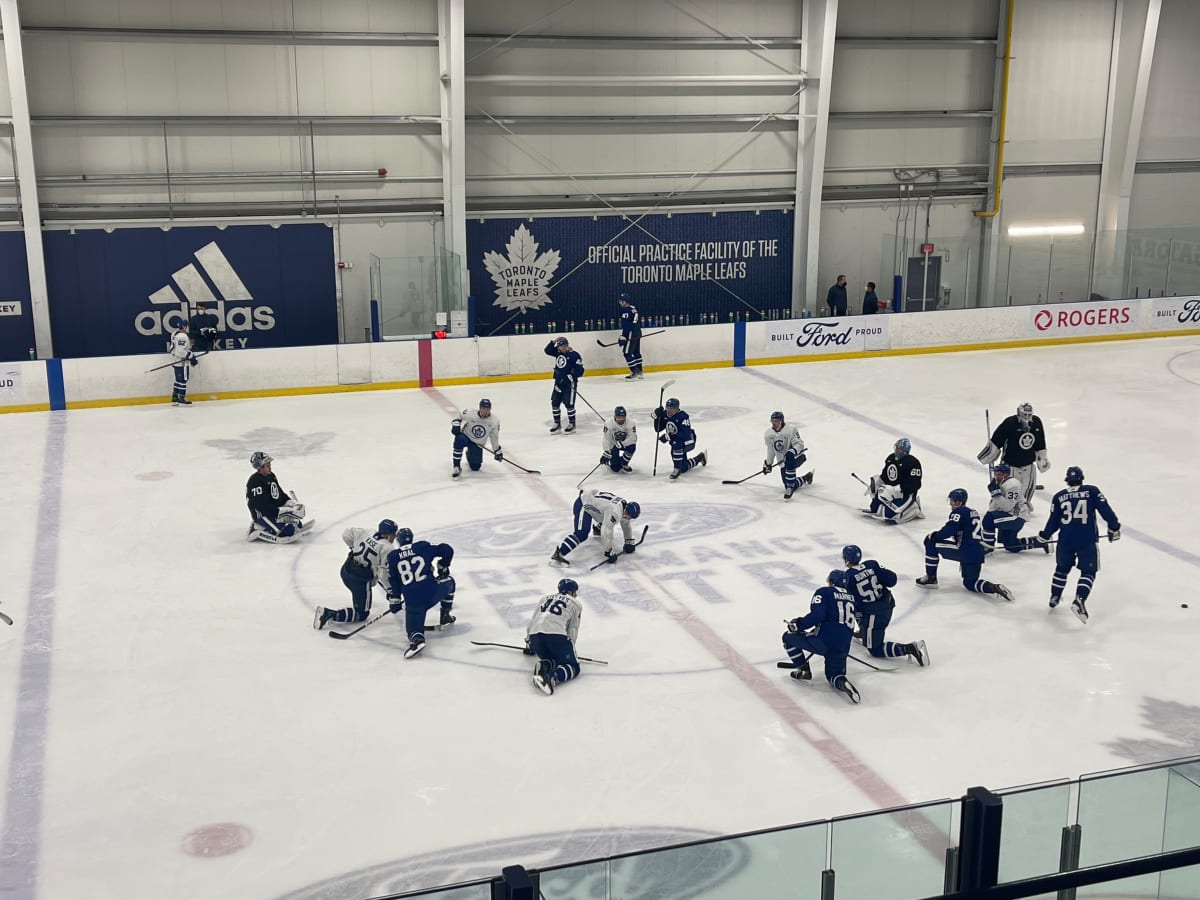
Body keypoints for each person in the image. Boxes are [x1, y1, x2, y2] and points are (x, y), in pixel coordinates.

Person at [1033, 466, 1121, 623]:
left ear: (1067, 480)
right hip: (1086, 540)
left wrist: (1044, 536)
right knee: (1089, 571)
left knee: (1061, 569)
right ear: (1082, 478)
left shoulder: (1059, 496)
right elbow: (1105, 511)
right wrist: (1114, 527)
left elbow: (1053, 521)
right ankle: (1079, 600)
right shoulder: (1092, 491)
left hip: (1064, 540)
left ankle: (1055, 596)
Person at [916, 489, 1015, 600]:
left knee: (930, 541)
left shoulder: (958, 512)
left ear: (958, 502)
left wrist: (935, 535)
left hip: (963, 550)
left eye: (952, 501)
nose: (950, 504)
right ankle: (993, 587)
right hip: (977, 553)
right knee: (970, 583)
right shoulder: (974, 512)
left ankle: (931, 578)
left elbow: (950, 529)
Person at [840, 544, 928, 666]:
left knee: (875, 650)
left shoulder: (848, 576)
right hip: (887, 604)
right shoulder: (872, 564)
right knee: (859, 609)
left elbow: (851, 601)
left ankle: (910, 648)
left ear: (846, 559)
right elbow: (892, 580)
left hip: (874, 615)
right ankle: (864, 631)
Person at [782, 571, 861, 704]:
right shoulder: (852, 597)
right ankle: (843, 683)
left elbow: (817, 615)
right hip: (844, 646)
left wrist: (798, 625)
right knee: (834, 675)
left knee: (788, 637)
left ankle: (803, 670)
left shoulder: (824, 592)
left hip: (823, 641)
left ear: (831, 581)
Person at [384, 528, 457, 658]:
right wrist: (443, 566)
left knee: (413, 631)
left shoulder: (393, 557)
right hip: (432, 592)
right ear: (411, 538)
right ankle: (445, 615)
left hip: (413, 601)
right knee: (450, 583)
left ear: (398, 541)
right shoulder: (422, 547)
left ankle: (417, 639)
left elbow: (394, 581)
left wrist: (395, 600)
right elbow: (447, 549)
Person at [314, 519, 398, 629]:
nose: (394, 537)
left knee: (365, 585)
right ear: (388, 535)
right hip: (359, 580)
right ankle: (328, 614)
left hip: (346, 570)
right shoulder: (387, 548)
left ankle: (359, 597)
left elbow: (346, 534)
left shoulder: (368, 532)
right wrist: (392, 591)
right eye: (393, 534)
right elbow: (383, 574)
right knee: (362, 614)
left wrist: (353, 547)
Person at [977, 403, 1051, 506]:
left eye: (1029, 414)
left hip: (1028, 468)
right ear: (1019, 413)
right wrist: (988, 455)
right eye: (1024, 414)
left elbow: (1040, 443)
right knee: (1005, 501)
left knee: (1024, 503)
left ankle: (1023, 508)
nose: (1027, 417)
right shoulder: (1010, 423)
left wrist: (1042, 458)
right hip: (1009, 468)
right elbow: (996, 441)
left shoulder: (1036, 422)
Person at [550, 488, 641, 566]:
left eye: (630, 517)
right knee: (582, 534)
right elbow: (606, 531)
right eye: (628, 515)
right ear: (626, 510)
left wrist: (628, 541)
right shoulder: (615, 511)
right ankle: (559, 554)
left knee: (606, 517)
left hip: (594, 504)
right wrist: (608, 551)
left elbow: (625, 523)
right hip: (583, 505)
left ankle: (598, 528)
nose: (628, 517)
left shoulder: (624, 507)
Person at [525, 578, 584, 695]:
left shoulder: (544, 598)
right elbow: (573, 629)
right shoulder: (575, 603)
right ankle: (551, 678)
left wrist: (529, 645)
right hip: (556, 636)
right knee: (573, 667)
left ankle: (543, 666)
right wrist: (570, 652)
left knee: (553, 659)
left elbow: (532, 622)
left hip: (535, 637)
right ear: (571, 592)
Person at [245, 451, 310, 543]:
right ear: (260, 467)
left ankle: (273, 523)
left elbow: (278, 494)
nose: (270, 467)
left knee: (298, 524)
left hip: (274, 511)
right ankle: (257, 526)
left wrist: (288, 502)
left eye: (269, 464)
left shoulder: (271, 476)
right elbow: (261, 506)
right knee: (288, 531)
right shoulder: (255, 482)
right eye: (267, 465)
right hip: (263, 515)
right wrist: (282, 512)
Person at [982, 464, 1047, 553]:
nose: (996, 476)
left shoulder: (1013, 485)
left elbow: (1007, 507)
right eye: (995, 474)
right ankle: (1038, 542)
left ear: (1006, 474)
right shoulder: (999, 482)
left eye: (999, 474)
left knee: (988, 519)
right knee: (1011, 545)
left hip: (1017, 516)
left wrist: (996, 494)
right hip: (1011, 514)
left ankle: (987, 547)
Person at [862, 438, 923, 523]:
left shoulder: (913, 463)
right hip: (889, 493)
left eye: (899, 449)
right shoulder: (891, 458)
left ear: (906, 450)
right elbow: (885, 476)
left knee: (889, 514)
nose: (897, 451)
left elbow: (915, 484)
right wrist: (877, 483)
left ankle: (914, 506)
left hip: (905, 494)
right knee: (874, 508)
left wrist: (896, 489)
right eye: (896, 448)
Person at [764, 410, 813, 500]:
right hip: (783, 463)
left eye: (776, 421)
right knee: (788, 483)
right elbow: (770, 450)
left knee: (789, 461)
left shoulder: (791, 429)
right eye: (772, 421)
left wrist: (792, 451)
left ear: (781, 421)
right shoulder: (768, 434)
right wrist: (768, 464)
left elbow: (799, 444)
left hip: (797, 457)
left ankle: (790, 487)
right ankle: (806, 477)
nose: (774, 423)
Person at [654, 397, 707, 480]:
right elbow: (657, 429)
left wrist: (669, 436)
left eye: (672, 408)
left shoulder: (683, 417)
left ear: (677, 408)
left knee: (676, 446)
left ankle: (676, 469)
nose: (669, 410)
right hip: (676, 442)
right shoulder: (665, 415)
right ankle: (699, 458)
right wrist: (657, 418)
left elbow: (685, 434)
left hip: (689, 440)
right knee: (684, 467)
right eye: (668, 408)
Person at [451, 398, 502, 478]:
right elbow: (459, 415)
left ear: (490, 409)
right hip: (466, 437)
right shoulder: (471, 413)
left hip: (477, 443)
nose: (485, 411)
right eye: (483, 408)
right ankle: (456, 466)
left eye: (487, 409)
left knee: (475, 467)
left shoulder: (494, 421)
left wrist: (497, 450)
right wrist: (456, 424)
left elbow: (494, 437)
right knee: (459, 439)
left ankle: (469, 453)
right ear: (480, 408)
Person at [544, 337, 584, 433]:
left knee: (569, 404)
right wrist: (554, 341)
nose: (559, 348)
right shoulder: (558, 353)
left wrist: (572, 376)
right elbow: (547, 350)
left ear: (566, 346)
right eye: (558, 347)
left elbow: (580, 370)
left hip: (569, 384)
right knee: (555, 402)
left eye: (560, 346)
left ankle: (572, 424)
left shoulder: (574, 355)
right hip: (558, 383)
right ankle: (557, 423)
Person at [167, 320, 200, 406]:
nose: (187, 328)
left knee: (178, 379)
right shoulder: (182, 336)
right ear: (184, 327)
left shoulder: (174, 333)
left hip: (175, 360)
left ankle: (175, 398)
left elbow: (174, 348)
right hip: (182, 361)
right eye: (186, 326)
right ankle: (181, 397)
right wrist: (191, 356)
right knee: (183, 379)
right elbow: (180, 351)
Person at [601, 405, 638, 473]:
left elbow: (633, 438)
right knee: (616, 469)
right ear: (615, 416)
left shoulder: (630, 423)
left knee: (632, 447)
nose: (621, 419)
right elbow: (606, 439)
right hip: (613, 444)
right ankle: (612, 462)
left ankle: (623, 463)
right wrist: (607, 452)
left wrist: (622, 443)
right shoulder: (608, 423)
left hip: (624, 443)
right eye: (619, 417)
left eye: (623, 417)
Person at [618, 293, 644, 380]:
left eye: (621, 301)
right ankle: (640, 371)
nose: (619, 302)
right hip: (636, 332)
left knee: (627, 353)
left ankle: (634, 372)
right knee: (636, 352)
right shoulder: (630, 309)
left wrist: (624, 335)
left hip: (631, 333)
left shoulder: (628, 310)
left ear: (625, 301)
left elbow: (629, 324)